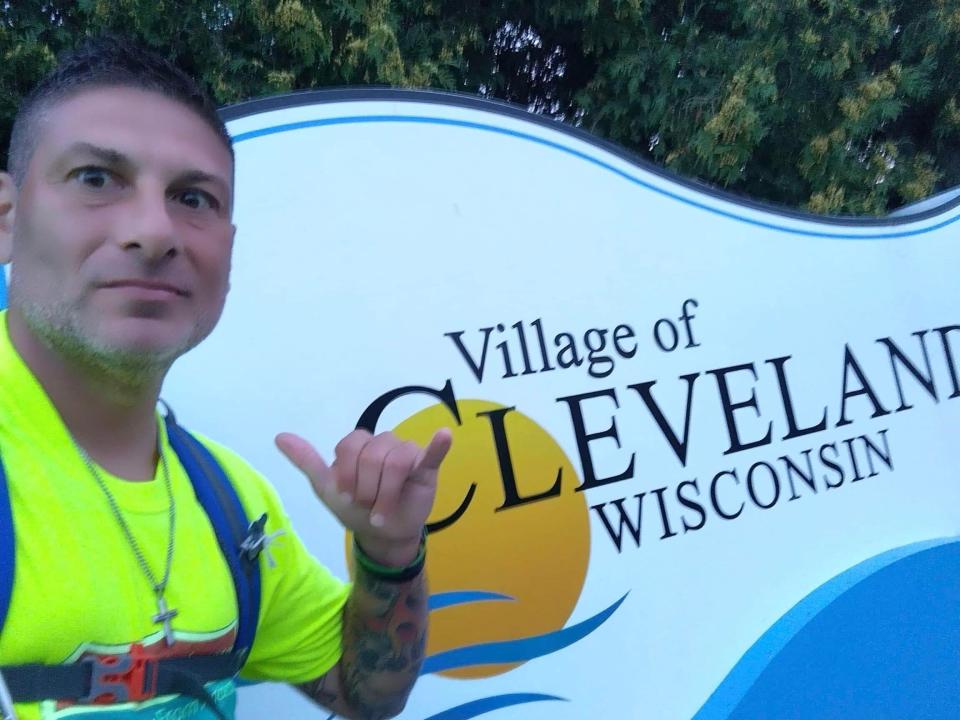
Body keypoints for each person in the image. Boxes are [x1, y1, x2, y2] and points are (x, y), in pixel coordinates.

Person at [0, 35, 451, 720]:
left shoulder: (230, 501)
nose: (154, 232)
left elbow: (364, 691)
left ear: (228, 252)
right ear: (7, 217)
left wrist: (390, 553)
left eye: (193, 197)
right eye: (96, 178)